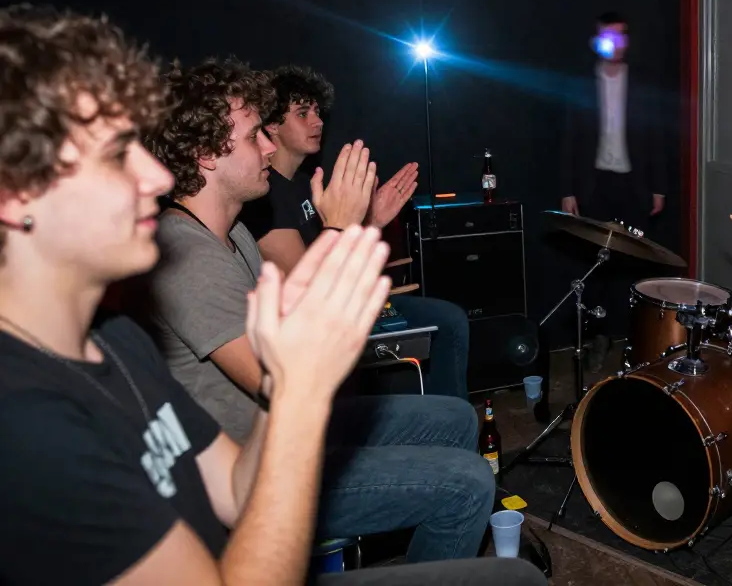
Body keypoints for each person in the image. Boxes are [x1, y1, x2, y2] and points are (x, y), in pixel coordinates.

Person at [0, 4, 545, 586]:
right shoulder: (27, 421)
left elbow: (239, 486)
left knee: (455, 426)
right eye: (114, 154)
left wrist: (296, 378)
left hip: (261, 488)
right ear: (16, 194)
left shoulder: (120, 343)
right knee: (479, 509)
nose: (154, 177)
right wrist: (302, 372)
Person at [139, 57, 495, 563]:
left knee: (458, 419)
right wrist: (339, 230)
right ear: (204, 155)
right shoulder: (185, 255)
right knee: (469, 483)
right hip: (264, 475)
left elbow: (296, 327)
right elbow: (279, 377)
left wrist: (358, 225)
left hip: (294, 432)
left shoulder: (234, 234)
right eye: (252, 137)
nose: (268, 146)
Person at [238, 64, 470, 399]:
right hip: (315, 325)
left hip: (343, 304)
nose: (317, 122)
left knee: (451, 320)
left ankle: (441, 423)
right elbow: (313, 286)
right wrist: (357, 226)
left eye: (318, 112)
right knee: (447, 324)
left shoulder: (305, 183)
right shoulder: (264, 195)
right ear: (272, 125)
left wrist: (373, 222)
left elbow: (340, 262)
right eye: (303, 113)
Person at [559, 11, 671, 353]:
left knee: (634, 264)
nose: (616, 43)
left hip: (633, 186)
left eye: (622, 35)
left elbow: (656, 136)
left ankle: (635, 337)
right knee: (596, 266)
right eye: (609, 36)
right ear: (597, 42)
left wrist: (659, 186)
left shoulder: (641, 81)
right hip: (595, 186)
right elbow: (569, 139)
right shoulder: (581, 82)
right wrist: (567, 189)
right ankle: (599, 337)